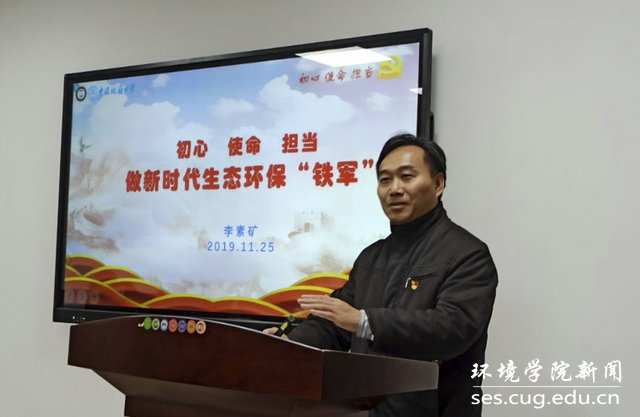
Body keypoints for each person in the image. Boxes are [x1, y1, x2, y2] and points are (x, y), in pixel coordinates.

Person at [265, 133, 498, 417]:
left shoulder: (468, 254)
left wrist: (365, 321)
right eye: (385, 180)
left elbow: (452, 329)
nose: (394, 189)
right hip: (365, 410)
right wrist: (289, 344)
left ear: (438, 184)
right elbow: (334, 324)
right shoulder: (371, 257)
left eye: (406, 177)